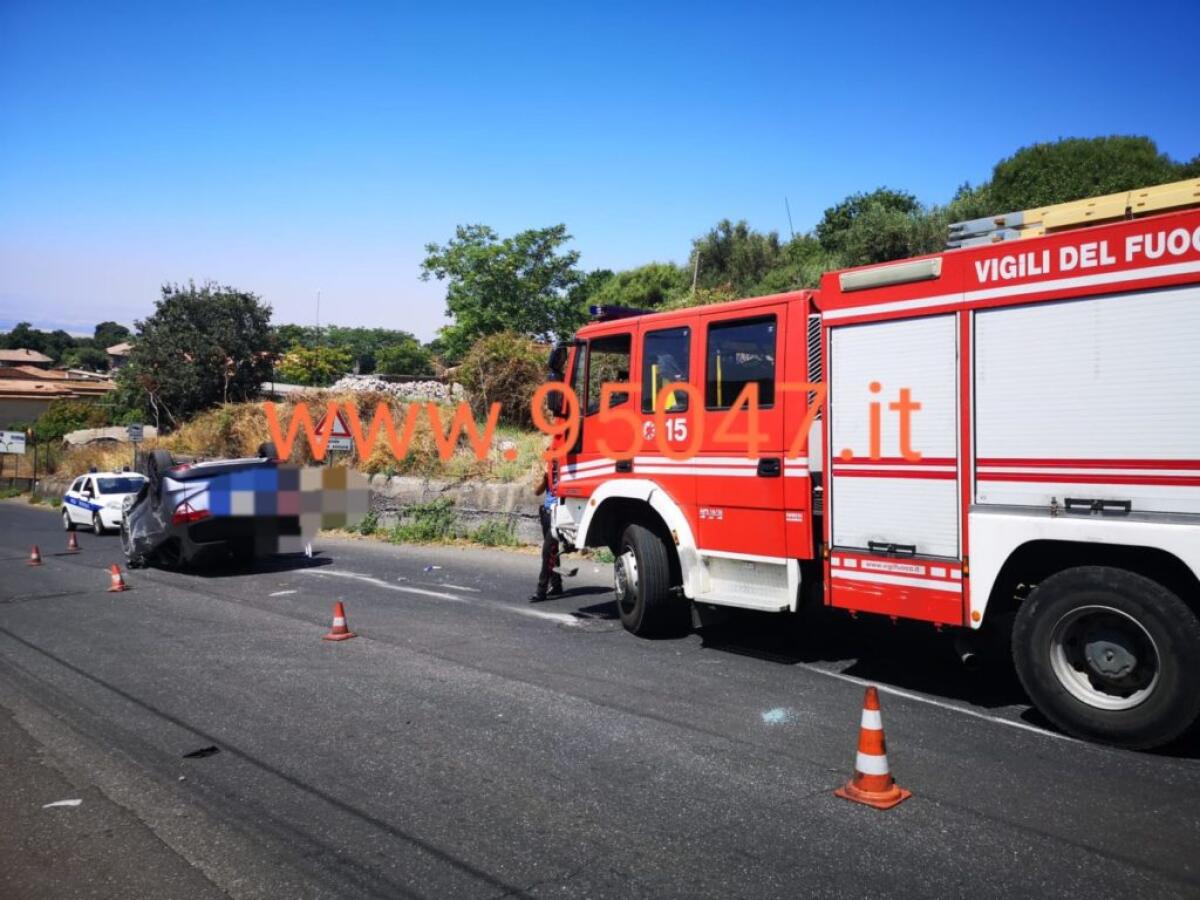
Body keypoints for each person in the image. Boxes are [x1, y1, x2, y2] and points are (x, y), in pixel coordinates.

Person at [530, 464, 564, 602]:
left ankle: (541, 590)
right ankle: (556, 584)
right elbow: (537, 492)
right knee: (552, 551)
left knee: (547, 551)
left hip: (558, 515)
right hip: (546, 513)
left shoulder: (566, 473)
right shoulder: (548, 475)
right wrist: (546, 477)